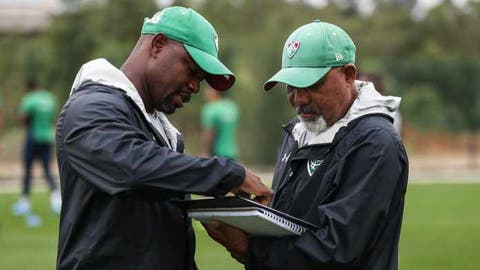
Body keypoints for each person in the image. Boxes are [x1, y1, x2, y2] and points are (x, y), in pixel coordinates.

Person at [55, 6, 273, 270]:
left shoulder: (161, 130)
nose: (195, 86)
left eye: (201, 79)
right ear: (158, 45)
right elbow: (131, 167)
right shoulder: (90, 108)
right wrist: (228, 174)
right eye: (192, 70)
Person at [204, 20, 409, 270]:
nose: (299, 99)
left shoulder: (375, 143)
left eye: (312, 84)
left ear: (348, 75)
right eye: (291, 86)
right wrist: (266, 210)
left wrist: (250, 249)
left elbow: (339, 250)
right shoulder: (297, 131)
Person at [12, 79, 60, 217]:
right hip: (47, 137)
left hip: (33, 138)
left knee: (27, 170)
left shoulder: (29, 99)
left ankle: (24, 202)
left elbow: (24, 118)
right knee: (47, 170)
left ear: (29, 88)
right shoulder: (50, 98)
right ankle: (56, 201)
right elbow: (54, 116)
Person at [201, 86, 239, 159]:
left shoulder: (211, 108)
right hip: (232, 153)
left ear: (215, 91)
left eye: (208, 89)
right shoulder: (232, 107)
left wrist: (206, 152)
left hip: (217, 155)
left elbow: (209, 133)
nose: (205, 92)